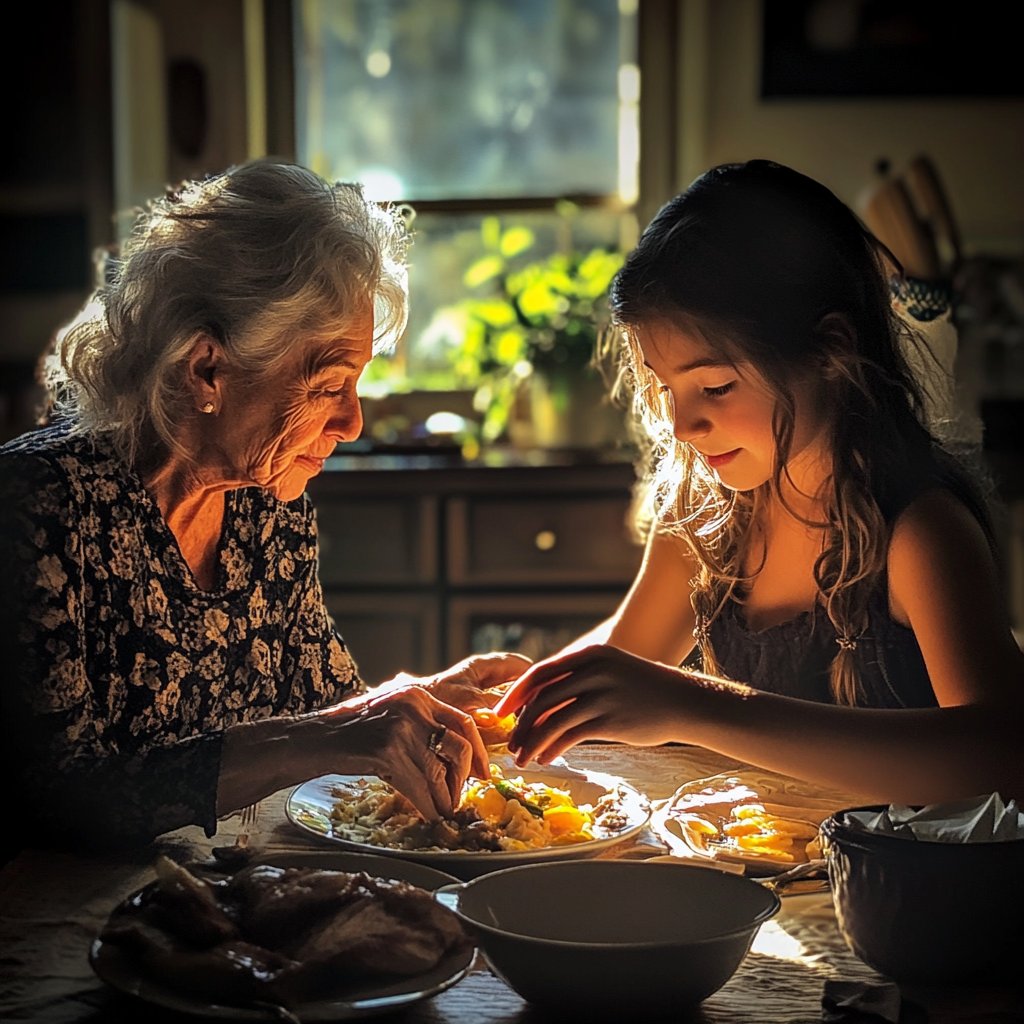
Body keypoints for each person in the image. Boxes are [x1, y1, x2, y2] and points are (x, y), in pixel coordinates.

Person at [0, 159, 528, 855]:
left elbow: (323, 713)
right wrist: (338, 730)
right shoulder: (36, 510)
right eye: (329, 384)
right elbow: (51, 799)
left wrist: (434, 697)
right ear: (206, 369)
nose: (352, 423)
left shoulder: (265, 508)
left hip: (211, 896)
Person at [498, 159, 1024, 804]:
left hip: (890, 892)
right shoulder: (707, 516)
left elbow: (1003, 753)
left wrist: (698, 708)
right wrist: (508, 695)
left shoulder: (918, 534)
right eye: (665, 389)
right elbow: (627, 659)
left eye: (715, 386)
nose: (683, 424)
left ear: (831, 351)